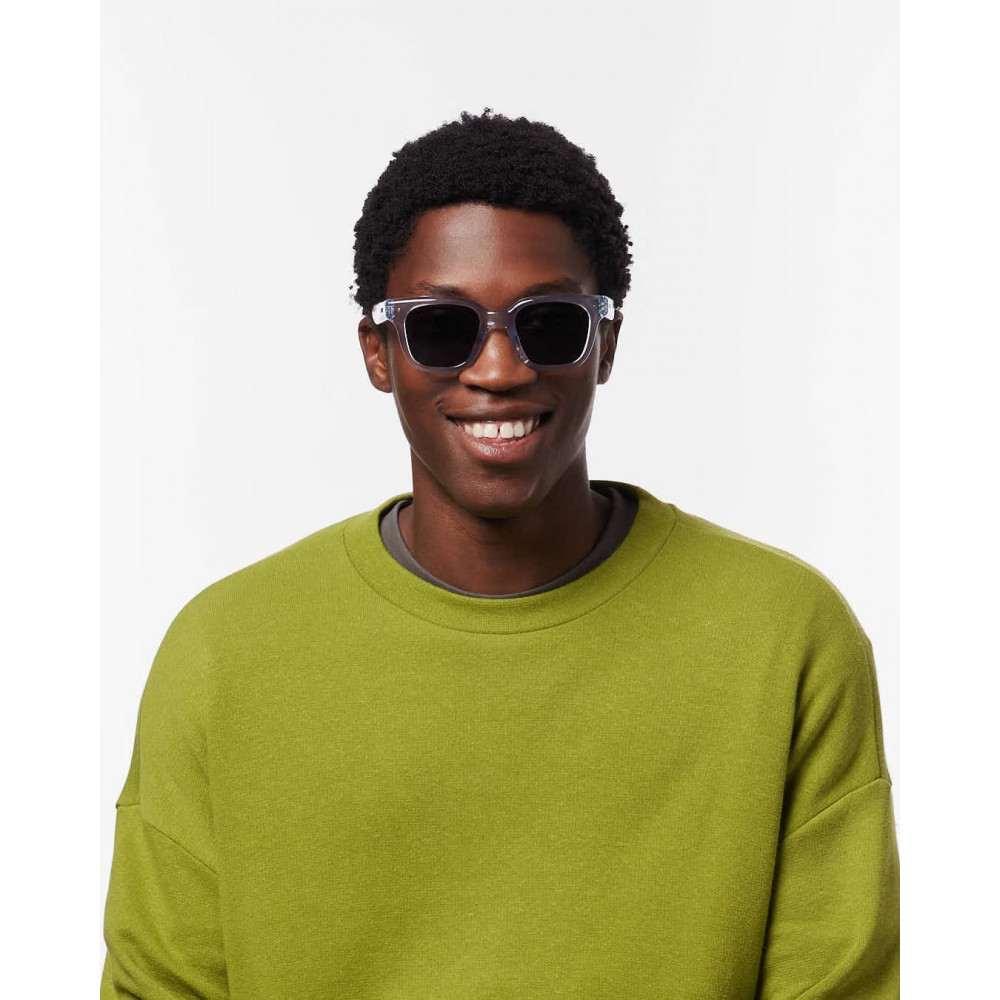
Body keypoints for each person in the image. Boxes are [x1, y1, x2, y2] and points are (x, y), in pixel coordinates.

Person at [102, 110, 900, 998]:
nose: (497, 369)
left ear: (605, 344)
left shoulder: (782, 636)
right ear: (378, 353)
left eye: (547, 324)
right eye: (443, 328)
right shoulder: (225, 653)